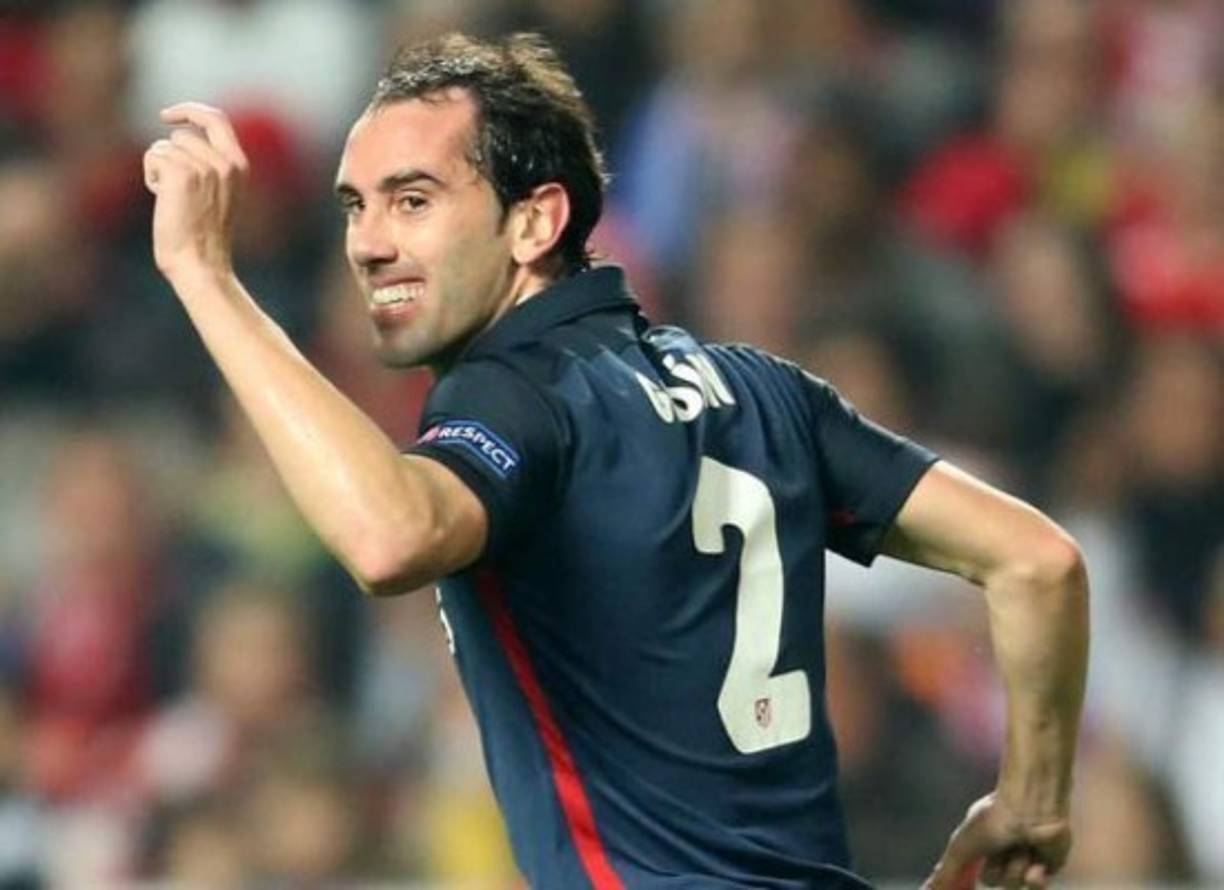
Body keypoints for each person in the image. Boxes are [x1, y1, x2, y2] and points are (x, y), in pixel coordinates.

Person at [142, 32, 1089, 890]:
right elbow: (1039, 562)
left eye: (413, 201)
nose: (368, 244)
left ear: (534, 222)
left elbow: (391, 535)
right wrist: (1028, 809)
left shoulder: (516, 392)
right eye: (356, 206)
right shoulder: (766, 391)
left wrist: (208, 277)